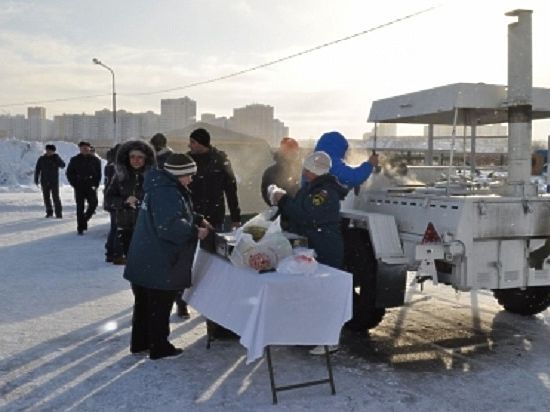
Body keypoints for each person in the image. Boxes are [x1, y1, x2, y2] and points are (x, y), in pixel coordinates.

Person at [123, 153, 211, 360]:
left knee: (145, 305)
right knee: (159, 306)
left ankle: (140, 343)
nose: (191, 179)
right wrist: (195, 231)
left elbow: (173, 214)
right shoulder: (167, 192)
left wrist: (197, 218)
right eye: (188, 175)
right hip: (160, 259)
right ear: (178, 174)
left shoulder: (160, 186)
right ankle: (159, 347)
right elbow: (169, 226)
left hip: (146, 256)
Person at [271, 151, 348, 355]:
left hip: (325, 245)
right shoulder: (316, 188)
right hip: (316, 242)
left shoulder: (324, 193)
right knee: (312, 292)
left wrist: (283, 200)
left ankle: (329, 339)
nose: (303, 172)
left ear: (314, 170)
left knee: (325, 292)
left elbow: (305, 213)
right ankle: (311, 334)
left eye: (307, 169)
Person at [105, 141, 155, 265]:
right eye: (132, 157)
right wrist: (124, 202)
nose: (135, 160)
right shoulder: (120, 176)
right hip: (123, 228)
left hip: (145, 228)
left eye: (140, 157)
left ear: (146, 159)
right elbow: (109, 198)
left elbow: (158, 200)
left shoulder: (153, 177)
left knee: (142, 264)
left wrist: (142, 202)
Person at [187, 128, 241, 230]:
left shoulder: (220, 161)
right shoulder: (187, 160)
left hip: (215, 217)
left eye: (192, 142)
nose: (189, 145)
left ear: (201, 143)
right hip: (192, 217)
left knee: (213, 245)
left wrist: (235, 219)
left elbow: (231, 190)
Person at [313, 131, 378, 190]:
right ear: (338, 147)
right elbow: (351, 178)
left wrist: (350, 185)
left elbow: (337, 180)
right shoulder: (329, 161)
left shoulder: (315, 159)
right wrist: (370, 164)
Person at [66, 141, 102, 235]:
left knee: (93, 204)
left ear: (90, 148)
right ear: (80, 149)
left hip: (91, 185)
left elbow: (98, 174)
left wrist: (96, 184)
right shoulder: (75, 159)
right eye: (82, 148)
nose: (85, 150)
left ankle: (85, 219)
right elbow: (69, 173)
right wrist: (74, 183)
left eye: (86, 148)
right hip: (79, 185)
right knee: (80, 207)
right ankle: (80, 227)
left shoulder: (95, 160)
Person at [260, 137, 302, 206]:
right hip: (281, 212)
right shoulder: (271, 172)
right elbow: (267, 194)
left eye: (295, 153)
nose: (294, 155)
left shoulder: (302, 171)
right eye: (291, 152)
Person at [34, 144, 65, 218]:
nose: (48, 152)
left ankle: (58, 213)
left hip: (54, 181)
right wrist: (36, 178)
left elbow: (63, 165)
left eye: (50, 151)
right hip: (44, 181)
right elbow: (37, 169)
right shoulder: (41, 159)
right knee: (46, 197)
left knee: (56, 197)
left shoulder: (56, 158)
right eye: (47, 150)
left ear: (53, 151)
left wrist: (57, 158)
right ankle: (49, 212)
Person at [103, 144, 120, 262]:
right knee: (117, 227)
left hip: (111, 200)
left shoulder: (110, 166)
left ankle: (110, 251)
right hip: (117, 201)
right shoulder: (118, 168)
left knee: (114, 227)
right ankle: (114, 253)